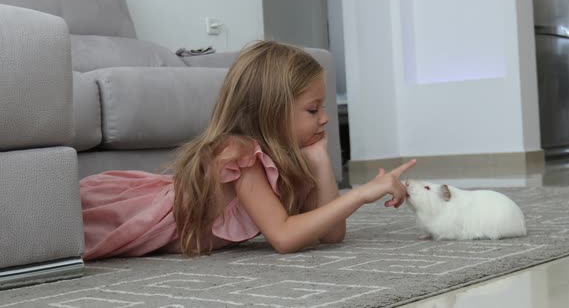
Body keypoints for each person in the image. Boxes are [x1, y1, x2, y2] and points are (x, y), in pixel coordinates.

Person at [80, 40, 416, 261]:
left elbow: (331, 234)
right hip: (132, 212)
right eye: (313, 110)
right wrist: (361, 194)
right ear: (271, 111)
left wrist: (321, 162)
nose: (326, 118)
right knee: (62, 239)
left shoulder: (285, 159)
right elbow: (284, 236)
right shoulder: (239, 154)